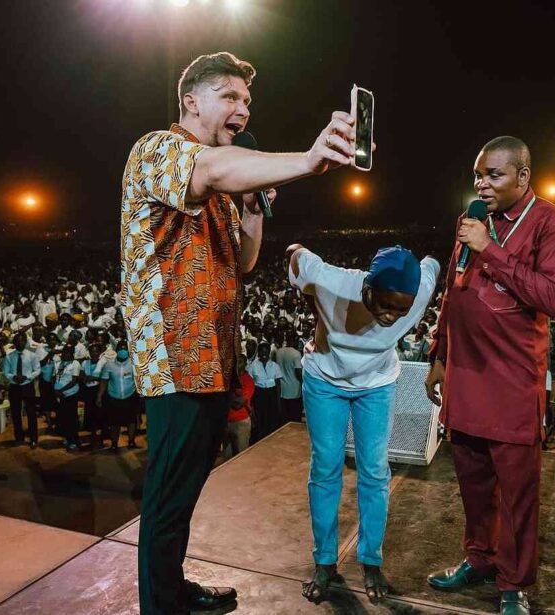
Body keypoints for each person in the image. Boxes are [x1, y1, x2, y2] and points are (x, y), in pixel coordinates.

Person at [122, 51, 362, 615]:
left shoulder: (227, 183)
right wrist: (307, 160)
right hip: (175, 356)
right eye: (230, 96)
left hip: (213, 357)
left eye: (247, 100)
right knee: (166, 493)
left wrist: (252, 209)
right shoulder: (158, 149)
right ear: (192, 101)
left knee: (184, 491)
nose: (242, 108)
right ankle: (161, 605)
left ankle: (172, 585)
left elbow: (246, 261)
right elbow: (210, 171)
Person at [425, 136, 555, 615]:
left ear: (523, 177)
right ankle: (479, 559)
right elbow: (453, 290)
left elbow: (552, 297)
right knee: (472, 485)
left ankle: (514, 585)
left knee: (517, 497)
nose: (481, 184)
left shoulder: (552, 223)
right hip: (466, 375)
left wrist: (489, 249)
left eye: (494, 175)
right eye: (478, 175)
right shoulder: (472, 221)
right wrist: (439, 354)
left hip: (511, 380)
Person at [289, 243, 440, 605]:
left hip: (378, 384)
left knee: (375, 470)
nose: (390, 317)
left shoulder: (420, 289)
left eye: (400, 310)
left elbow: (433, 262)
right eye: (384, 305)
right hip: (325, 380)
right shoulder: (330, 280)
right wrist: (315, 306)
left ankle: (371, 560)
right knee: (326, 468)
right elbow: (296, 252)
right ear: (367, 288)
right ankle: (324, 561)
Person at [97, 339, 139, 451]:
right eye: (121, 349)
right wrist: (99, 396)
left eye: (125, 349)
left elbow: (138, 380)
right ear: (116, 350)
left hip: (130, 396)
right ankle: (114, 444)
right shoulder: (109, 365)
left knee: (131, 421)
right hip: (113, 398)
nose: (123, 351)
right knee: (114, 423)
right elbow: (104, 381)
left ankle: (131, 442)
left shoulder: (134, 364)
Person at [2, 333, 41, 448]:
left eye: (21, 341)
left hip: (27, 385)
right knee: (15, 413)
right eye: (17, 341)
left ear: (25, 342)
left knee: (31, 413)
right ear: (14, 343)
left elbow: (37, 370)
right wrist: (13, 377)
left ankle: (33, 438)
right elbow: (6, 371)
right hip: (14, 386)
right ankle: (19, 437)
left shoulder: (32, 355)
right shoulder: (9, 356)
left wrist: (27, 377)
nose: (19, 343)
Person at [247, 341, 283, 442]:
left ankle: (270, 439)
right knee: (260, 418)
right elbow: (250, 382)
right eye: (262, 352)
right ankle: (260, 439)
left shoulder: (275, 366)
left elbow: (278, 384)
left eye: (266, 352)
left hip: (271, 393)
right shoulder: (253, 366)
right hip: (258, 393)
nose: (264, 354)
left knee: (271, 417)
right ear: (258, 352)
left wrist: (278, 400)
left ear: (269, 352)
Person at [223, 353, 253, 460]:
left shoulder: (248, 380)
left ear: (245, 364)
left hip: (241, 423)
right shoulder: (229, 379)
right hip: (226, 422)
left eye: (240, 362)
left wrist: (226, 397)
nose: (236, 364)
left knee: (241, 457)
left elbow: (239, 404)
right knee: (227, 458)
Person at [53, 345, 82, 450]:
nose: (65, 354)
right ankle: (68, 438)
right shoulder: (58, 364)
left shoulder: (75, 364)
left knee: (71, 419)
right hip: (59, 395)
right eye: (64, 352)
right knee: (63, 418)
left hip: (71, 394)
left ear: (72, 354)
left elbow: (74, 381)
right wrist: (56, 390)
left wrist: (61, 390)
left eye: (68, 352)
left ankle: (75, 440)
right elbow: (55, 377)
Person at [275, 330, 303, 424]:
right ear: (295, 340)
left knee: (284, 420)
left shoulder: (278, 352)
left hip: (282, 390)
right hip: (294, 390)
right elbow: (298, 372)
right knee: (295, 420)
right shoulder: (296, 353)